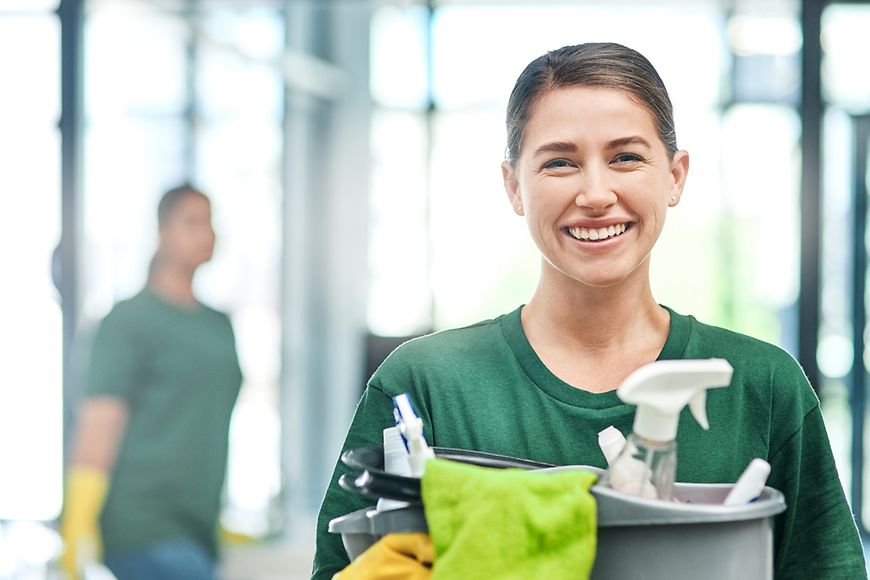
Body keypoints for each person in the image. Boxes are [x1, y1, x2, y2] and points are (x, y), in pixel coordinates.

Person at [311, 42, 867, 579]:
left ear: (675, 176)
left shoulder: (762, 387)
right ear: (514, 186)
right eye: (560, 163)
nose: (596, 193)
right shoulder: (425, 384)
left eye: (626, 157)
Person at [61, 184, 243, 580]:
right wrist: (76, 522)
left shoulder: (218, 326)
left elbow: (204, 419)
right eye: (191, 222)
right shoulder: (127, 320)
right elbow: (99, 423)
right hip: (143, 525)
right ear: (162, 232)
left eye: (210, 222)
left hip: (199, 528)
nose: (206, 233)